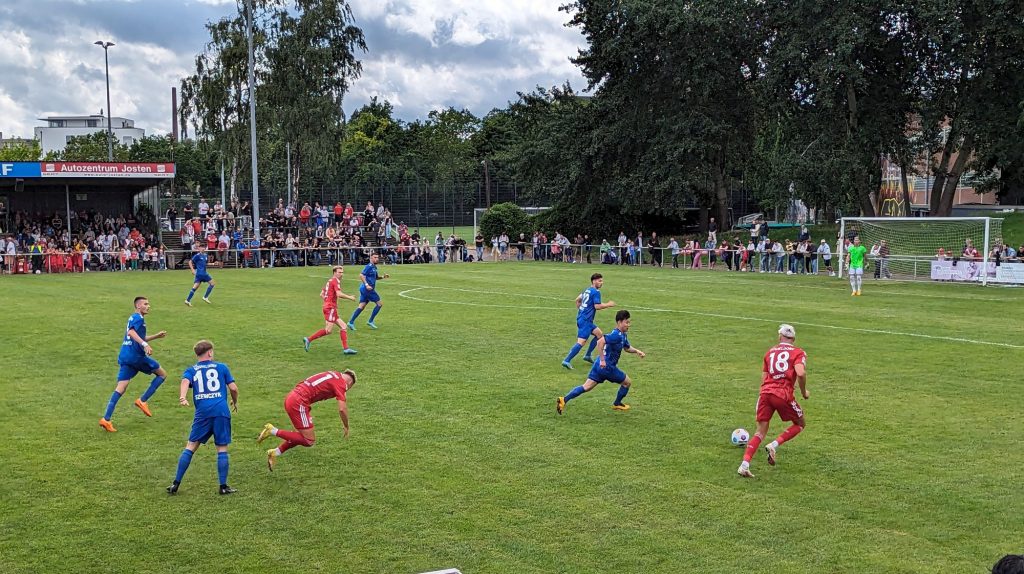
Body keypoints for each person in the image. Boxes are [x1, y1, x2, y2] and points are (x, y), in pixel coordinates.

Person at [167, 340, 239, 495]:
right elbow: (233, 388)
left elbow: (185, 381)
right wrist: (235, 401)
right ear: (210, 352)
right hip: (221, 411)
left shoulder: (192, 370)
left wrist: (182, 397)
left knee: (190, 446)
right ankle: (223, 486)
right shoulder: (221, 367)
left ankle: (175, 484)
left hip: (203, 413)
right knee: (222, 448)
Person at [737, 324, 809, 478]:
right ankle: (773, 445)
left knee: (760, 432)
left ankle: (744, 465)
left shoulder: (770, 352)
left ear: (779, 337)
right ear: (793, 339)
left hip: (765, 393)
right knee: (800, 424)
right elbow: (801, 373)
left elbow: (764, 378)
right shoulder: (798, 352)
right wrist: (804, 392)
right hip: (783, 394)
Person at [257, 369, 357, 471]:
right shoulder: (341, 383)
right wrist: (346, 426)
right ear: (349, 383)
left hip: (293, 397)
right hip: (299, 402)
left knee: (299, 436)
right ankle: (272, 430)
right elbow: (342, 409)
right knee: (309, 440)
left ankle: (274, 453)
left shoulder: (333, 374)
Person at [99, 297, 168, 432]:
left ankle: (106, 419)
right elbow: (131, 333)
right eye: (145, 304)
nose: (148, 306)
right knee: (162, 374)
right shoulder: (138, 318)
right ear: (138, 306)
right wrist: (145, 345)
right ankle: (142, 400)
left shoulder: (133, 318)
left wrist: (156, 336)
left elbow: (138, 336)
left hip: (125, 355)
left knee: (121, 387)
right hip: (136, 357)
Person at [556, 310, 646, 414]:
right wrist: (603, 360)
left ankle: (564, 400)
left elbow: (627, 347)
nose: (628, 325)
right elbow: (600, 341)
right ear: (619, 322)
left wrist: (637, 351)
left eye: (629, 322)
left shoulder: (622, 335)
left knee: (586, 387)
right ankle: (617, 403)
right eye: (626, 322)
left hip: (598, 365)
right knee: (627, 383)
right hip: (607, 367)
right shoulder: (616, 335)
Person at [562, 273, 616, 370]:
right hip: (586, 321)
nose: (602, 283)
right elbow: (597, 306)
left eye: (602, 281)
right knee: (581, 342)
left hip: (583, 319)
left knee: (599, 335)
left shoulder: (587, 290)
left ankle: (587, 355)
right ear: (594, 281)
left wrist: (581, 310)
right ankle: (566, 360)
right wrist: (608, 304)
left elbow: (577, 300)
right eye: (599, 281)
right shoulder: (596, 292)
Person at [304, 266, 358, 355]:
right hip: (330, 308)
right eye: (339, 272)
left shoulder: (329, 281)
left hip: (330, 307)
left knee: (344, 326)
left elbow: (321, 294)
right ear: (334, 273)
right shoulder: (335, 281)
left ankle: (346, 349)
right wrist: (350, 297)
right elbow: (339, 294)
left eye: (342, 272)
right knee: (328, 330)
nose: (341, 274)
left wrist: (327, 302)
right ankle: (308, 339)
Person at [347, 252, 389, 330]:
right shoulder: (369, 266)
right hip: (367, 289)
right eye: (375, 257)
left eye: (377, 257)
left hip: (364, 289)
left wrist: (383, 277)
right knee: (379, 304)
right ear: (371, 258)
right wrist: (367, 285)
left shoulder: (374, 267)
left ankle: (351, 322)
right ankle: (370, 321)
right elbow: (361, 275)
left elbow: (376, 277)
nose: (377, 259)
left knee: (361, 306)